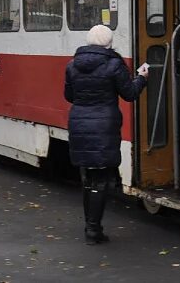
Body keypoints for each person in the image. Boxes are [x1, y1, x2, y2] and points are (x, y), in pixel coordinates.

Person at [64, 25, 148, 245]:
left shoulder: (72, 66)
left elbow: (69, 96)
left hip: (80, 123)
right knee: (100, 178)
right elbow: (129, 94)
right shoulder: (114, 65)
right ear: (109, 43)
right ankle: (93, 230)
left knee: (88, 177)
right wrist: (142, 78)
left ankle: (90, 227)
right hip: (104, 125)